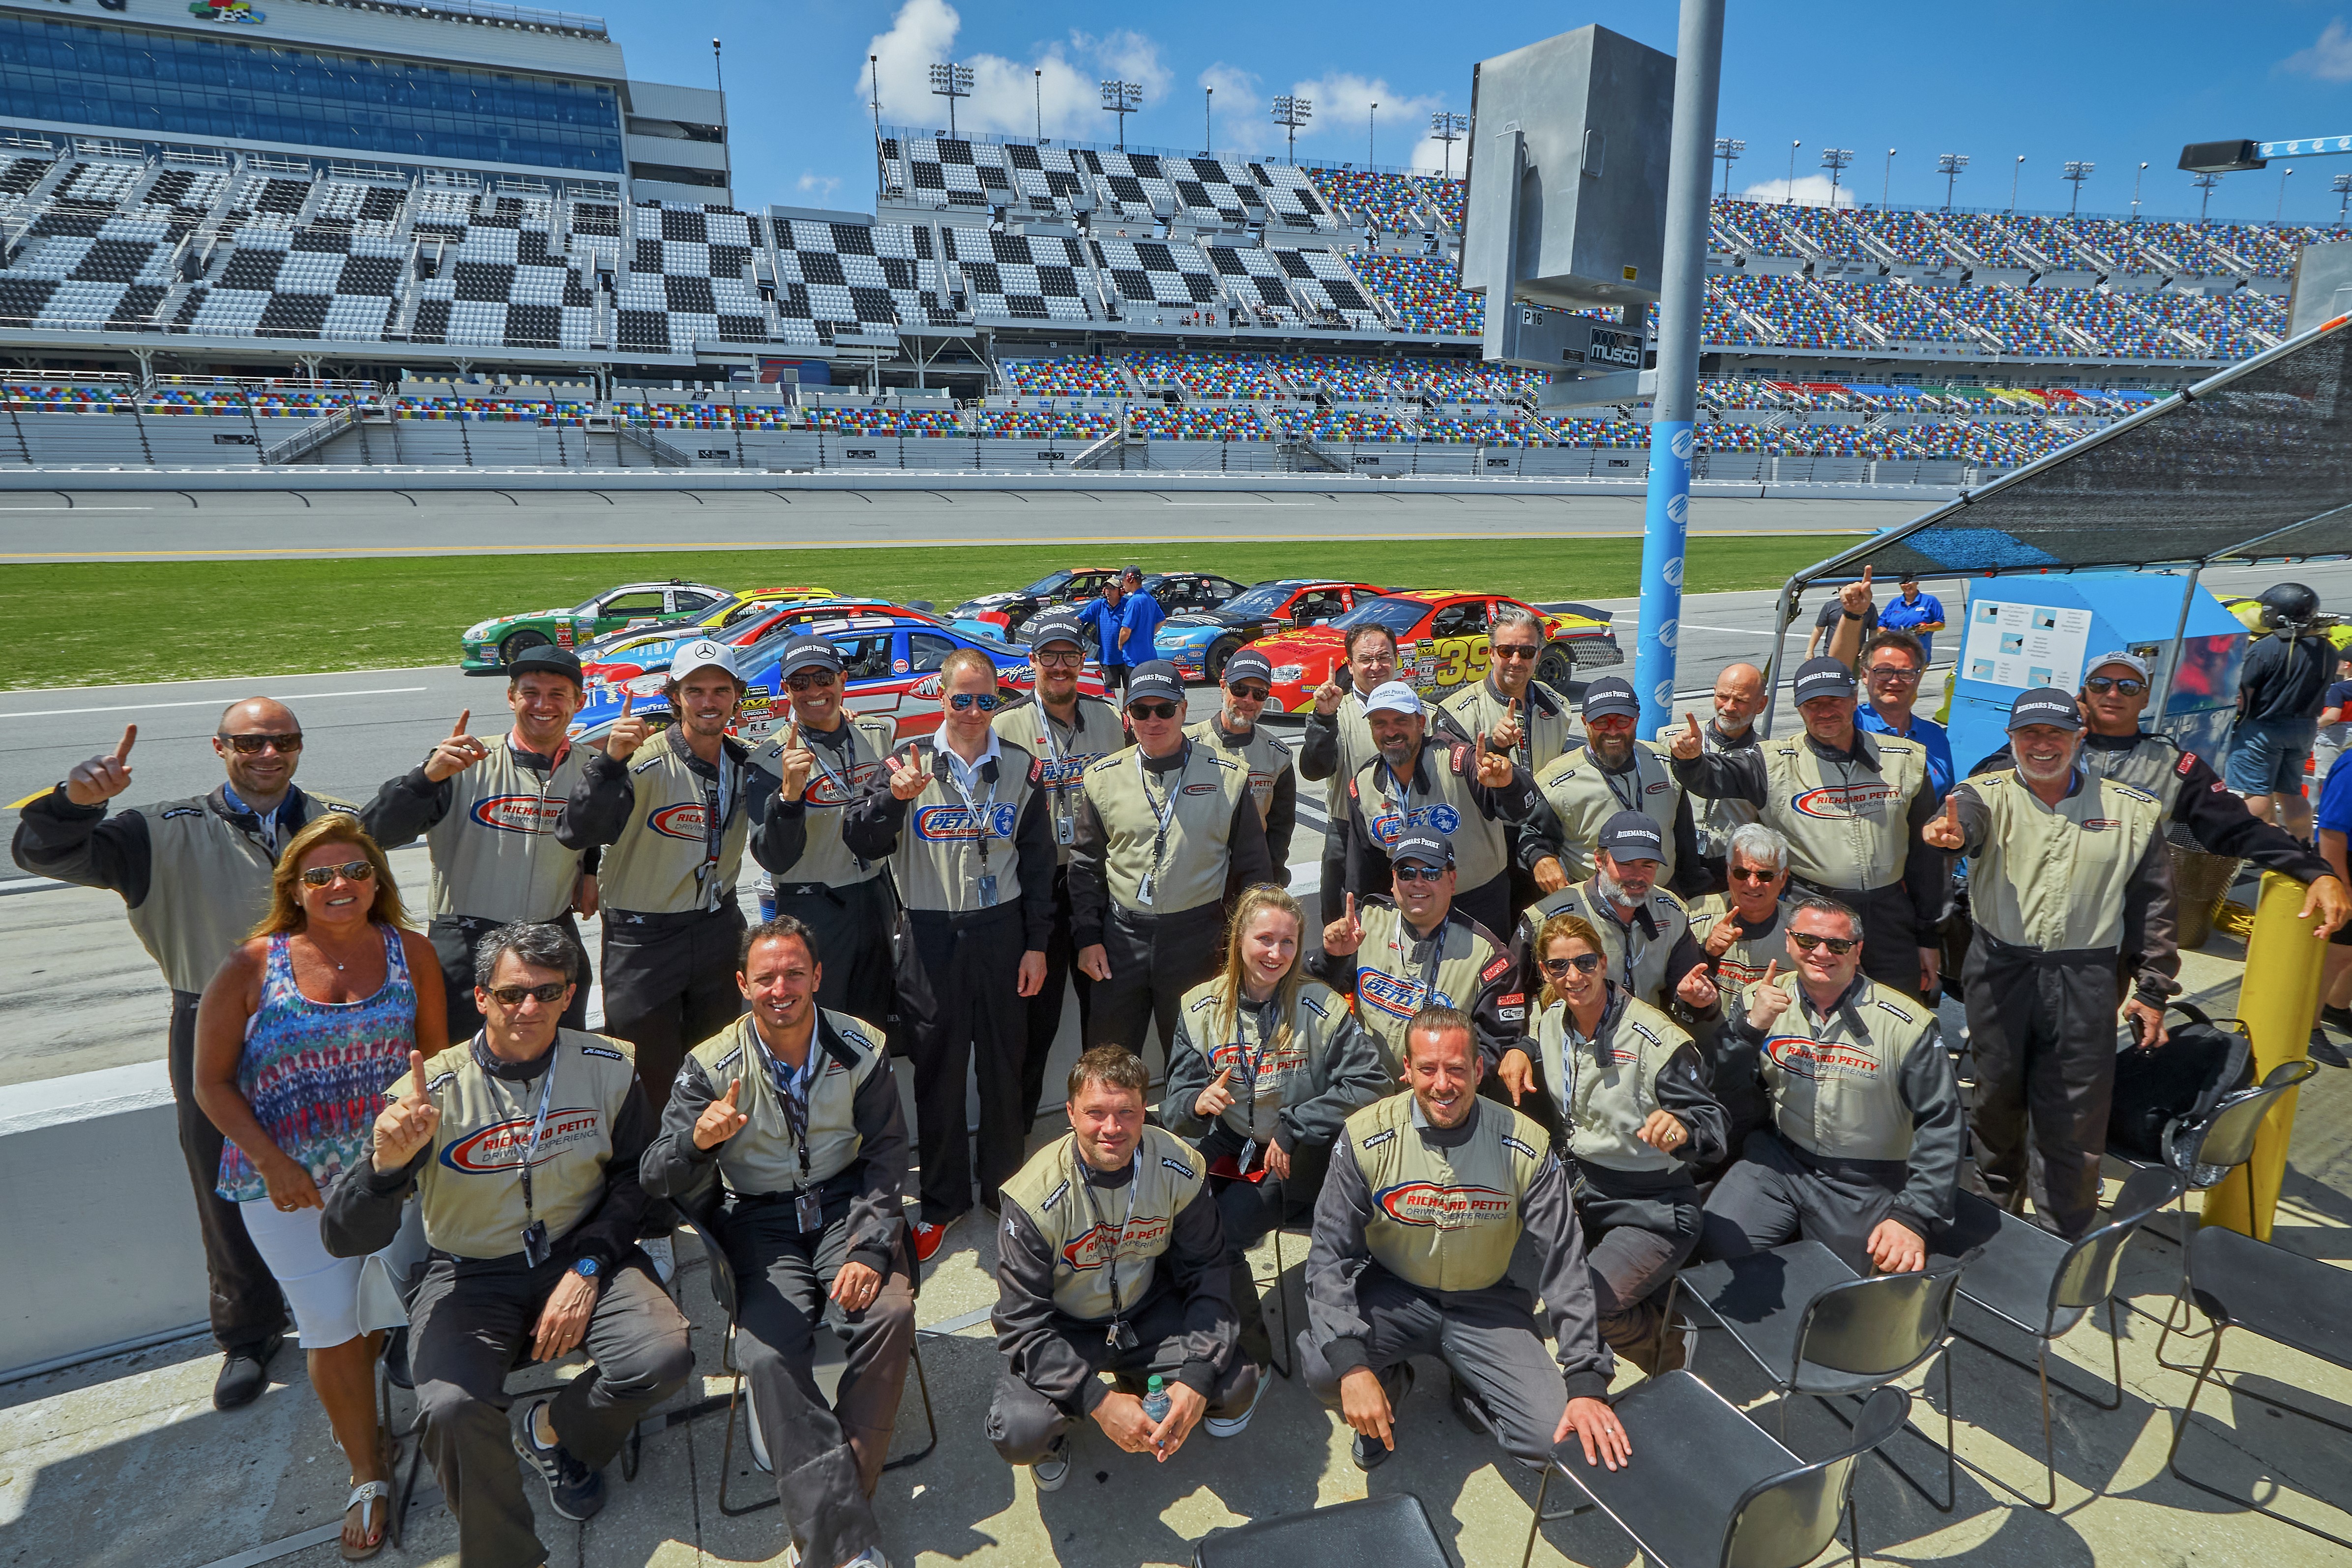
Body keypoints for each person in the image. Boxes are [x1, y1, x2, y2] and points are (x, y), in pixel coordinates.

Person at [12, 698, 357, 1409]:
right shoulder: (159, 830)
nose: (269, 754)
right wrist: (75, 803)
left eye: (284, 740)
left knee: (351, 1166)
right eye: (250, 743)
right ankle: (248, 1333)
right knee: (222, 1179)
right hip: (215, 1020)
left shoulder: (336, 821)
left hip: (331, 1022)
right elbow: (42, 852)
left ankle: (364, 1309)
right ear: (219, 747)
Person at [323, 922, 693, 1568]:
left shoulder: (610, 1065)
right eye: (512, 993)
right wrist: (383, 1168)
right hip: (472, 1272)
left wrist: (588, 1266)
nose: (529, 1007)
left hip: (582, 1252)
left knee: (663, 1357)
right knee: (450, 1408)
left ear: (569, 994)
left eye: (547, 992)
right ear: (481, 997)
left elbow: (634, 1180)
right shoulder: (427, 1093)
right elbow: (345, 1236)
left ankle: (551, 1431)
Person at [192, 815, 446, 1560]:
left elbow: (435, 1058)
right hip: (289, 1185)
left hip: (391, 1173)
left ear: (378, 881)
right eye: (321, 875)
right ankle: (367, 1467)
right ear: (294, 889)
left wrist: (417, 1130)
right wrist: (273, 1161)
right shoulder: (250, 964)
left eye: (357, 871)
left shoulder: (412, 952)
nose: (342, 884)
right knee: (330, 1323)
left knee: (378, 1310)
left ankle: (368, 1418)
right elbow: (210, 1082)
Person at [640, 917, 910, 1568]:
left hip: (846, 1207)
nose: (780, 988)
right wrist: (696, 1141)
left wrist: (871, 1247)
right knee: (765, 1353)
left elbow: (887, 1153)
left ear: (818, 976)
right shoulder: (710, 1064)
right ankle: (842, 1528)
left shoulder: (861, 1046)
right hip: (759, 1220)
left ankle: (829, 1514)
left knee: (890, 1310)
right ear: (743, 984)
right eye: (766, 977)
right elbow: (654, 1173)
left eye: (794, 973)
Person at [1299, 1007, 1629, 1476]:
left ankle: (1472, 1384)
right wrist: (1353, 1367)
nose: (1442, 1085)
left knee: (1554, 1444)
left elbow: (1566, 1264)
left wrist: (1587, 1380)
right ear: (1407, 1069)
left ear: (1478, 1068)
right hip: (1393, 1292)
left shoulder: (1527, 1145)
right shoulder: (1364, 1136)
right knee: (1326, 1365)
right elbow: (1330, 1254)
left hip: (1485, 1301)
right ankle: (1387, 1388)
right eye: (1428, 1069)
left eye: (1456, 1069)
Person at [1923, 689, 2176, 1239]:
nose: (2042, 745)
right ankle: (1992, 1216)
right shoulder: (1985, 794)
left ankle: (2063, 1235)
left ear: (2079, 737)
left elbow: (2153, 905)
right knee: (1995, 1101)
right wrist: (1951, 835)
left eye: (2055, 733)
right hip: (2000, 971)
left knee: (2074, 1113)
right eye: (2029, 734)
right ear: (2011, 739)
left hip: (2086, 976)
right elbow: (1964, 823)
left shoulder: (2131, 810)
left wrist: (2152, 987)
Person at [845, 648, 1053, 1259]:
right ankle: (942, 1203)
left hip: (1002, 933)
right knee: (938, 1075)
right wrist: (893, 799)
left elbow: (1038, 867)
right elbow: (861, 839)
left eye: (986, 700)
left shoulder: (1020, 766)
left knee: (1004, 1069)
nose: (973, 711)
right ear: (940, 697)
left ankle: (1003, 1189)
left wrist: (1036, 945)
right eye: (961, 699)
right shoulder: (903, 763)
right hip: (929, 935)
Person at [988, 1047, 1259, 1489]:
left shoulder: (1179, 1166)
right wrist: (1098, 1402)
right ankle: (1059, 1436)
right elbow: (1022, 1325)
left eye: (1126, 1113)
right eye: (1095, 1113)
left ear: (1144, 1110)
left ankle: (1149, 1388)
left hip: (1147, 1309)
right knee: (1021, 1433)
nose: (1111, 1128)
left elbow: (1208, 1271)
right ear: (1071, 1113)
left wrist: (1195, 1381)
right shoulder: (1033, 1198)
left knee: (1234, 1384)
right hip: (1066, 1325)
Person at [1163, 886, 1386, 1377]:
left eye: (1288, 942)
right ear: (1238, 940)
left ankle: (1250, 1359)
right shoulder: (1199, 1008)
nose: (1276, 953)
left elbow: (1371, 1082)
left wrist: (1295, 1124)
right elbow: (1174, 1108)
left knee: (1218, 1236)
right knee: (1168, 1216)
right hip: (1229, 1140)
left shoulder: (1320, 1005)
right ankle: (1191, 1325)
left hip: (1299, 1152)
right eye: (1264, 939)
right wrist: (1197, 1102)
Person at [1970, 651, 2348, 935]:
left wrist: (2315, 871)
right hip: (2017, 912)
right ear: (2083, 693)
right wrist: (2063, 725)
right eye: (2100, 684)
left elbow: (2240, 828)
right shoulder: (2046, 743)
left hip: (2106, 928)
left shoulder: (2173, 766)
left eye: (2128, 687)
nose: (2113, 693)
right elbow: (1983, 783)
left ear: (2145, 698)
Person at [561, 639, 770, 1121]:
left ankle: (706, 1166)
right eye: (695, 691)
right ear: (674, 696)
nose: (709, 702)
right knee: (646, 1076)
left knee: (716, 1066)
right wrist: (608, 765)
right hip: (644, 938)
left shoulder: (747, 762)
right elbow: (580, 830)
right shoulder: (639, 759)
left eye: (720, 690)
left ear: (736, 696)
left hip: (718, 929)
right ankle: (650, 1168)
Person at [1697, 898, 1964, 1276]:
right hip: (1780, 1157)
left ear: (1858, 950)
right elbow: (1721, 1087)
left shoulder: (1908, 1025)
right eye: (1808, 941)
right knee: (1716, 1240)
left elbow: (1943, 1126)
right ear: (1788, 941)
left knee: (1851, 1284)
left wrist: (1914, 1217)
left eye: (1837, 945)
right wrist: (1750, 1029)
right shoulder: (1758, 999)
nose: (1821, 953)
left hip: (1866, 1176)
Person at [1670, 656, 1946, 999]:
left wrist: (1928, 937)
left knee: (1897, 1008)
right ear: (1799, 709)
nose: (1825, 712)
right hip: (1813, 911)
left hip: (1889, 915)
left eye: (1834, 701)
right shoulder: (1773, 761)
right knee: (1816, 1010)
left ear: (1854, 698)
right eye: (1813, 704)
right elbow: (1712, 777)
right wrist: (1689, 759)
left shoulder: (1904, 759)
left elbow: (1926, 860)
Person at [360, 645, 597, 1043]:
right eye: (530, 693)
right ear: (511, 698)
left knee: (559, 1057)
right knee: (457, 1064)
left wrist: (589, 870)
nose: (543, 705)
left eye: (557, 694)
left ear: (579, 702)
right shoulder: (462, 761)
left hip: (552, 938)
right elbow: (373, 833)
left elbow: (595, 828)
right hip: (467, 940)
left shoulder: (591, 768)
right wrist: (425, 779)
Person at [1529, 912, 1724, 1371]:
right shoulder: (1553, 1018)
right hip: (1586, 1189)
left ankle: (1672, 1346)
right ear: (1545, 971)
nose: (1573, 976)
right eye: (1559, 966)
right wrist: (1521, 1051)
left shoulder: (1654, 1039)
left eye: (1584, 963)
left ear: (1603, 963)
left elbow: (1712, 1124)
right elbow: (1543, 1043)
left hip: (1653, 1205)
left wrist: (1681, 1130)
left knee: (1589, 1307)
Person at [1071, 661, 1272, 1063]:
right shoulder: (1102, 778)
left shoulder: (1229, 777)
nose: (1153, 721)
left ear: (1183, 709)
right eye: (1141, 710)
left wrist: (1244, 943)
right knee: (1109, 1061)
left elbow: (1254, 871)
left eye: (1164, 709)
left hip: (1197, 939)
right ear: (1128, 715)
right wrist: (1088, 939)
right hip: (1121, 940)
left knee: (1196, 1061)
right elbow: (1086, 867)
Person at [993, 608, 1127, 1127]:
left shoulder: (1108, 719)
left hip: (1095, 881)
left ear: (1082, 661)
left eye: (1069, 655)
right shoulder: (1006, 724)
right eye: (1049, 656)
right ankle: (1018, 1130)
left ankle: (1106, 1124)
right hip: (1037, 885)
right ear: (1032, 661)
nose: (1059, 666)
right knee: (1035, 1021)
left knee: (1105, 1015)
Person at [749, 635, 900, 1030]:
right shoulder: (769, 759)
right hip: (813, 907)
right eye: (800, 683)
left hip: (875, 898)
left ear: (842, 680)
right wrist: (789, 797)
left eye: (823, 679)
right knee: (820, 1026)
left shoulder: (876, 734)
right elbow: (774, 858)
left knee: (873, 1026)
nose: (814, 691)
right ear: (786, 690)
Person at [1342, 680, 1555, 939]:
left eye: (1401, 721)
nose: (1391, 732)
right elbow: (1363, 875)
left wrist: (1508, 784)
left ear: (1421, 724)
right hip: (1413, 910)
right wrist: (1360, 922)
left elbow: (1520, 809)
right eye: (1380, 723)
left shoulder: (1460, 762)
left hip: (1478, 904)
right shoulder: (1363, 786)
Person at [1311, 829, 1522, 1085]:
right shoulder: (1364, 924)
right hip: (1360, 1086)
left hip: (1441, 1095)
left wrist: (1443, 1083)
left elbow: (1500, 1043)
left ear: (1452, 880)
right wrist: (1331, 958)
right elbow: (1308, 995)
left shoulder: (1488, 955)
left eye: (1431, 873)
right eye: (1406, 873)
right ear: (1394, 881)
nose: (1418, 882)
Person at [1509, 813, 1715, 1023]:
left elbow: (1687, 987)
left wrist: (1695, 998)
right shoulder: (1545, 917)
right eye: (1626, 864)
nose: (1637, 876)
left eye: (1648, 865)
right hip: (1572, 1037)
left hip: (1648, 1035)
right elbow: (1512, 997)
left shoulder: (1672, 911)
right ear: (1599, 861)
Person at [1684, 822, 1798, 1160]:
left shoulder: (1802, 928)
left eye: (1765, 875)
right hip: (1709, 1055)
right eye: (1741, 872)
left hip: (1777, 1058)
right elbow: (1671, 989)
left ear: (1783, 877)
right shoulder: (1694, 914)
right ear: (1727, 872)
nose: (1752, 884)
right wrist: (1705, 953)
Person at [1536, 676, 1699, 892]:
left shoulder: (1666, 764)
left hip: (1660, 896)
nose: (1612, 731)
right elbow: (1535, 836)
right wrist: (1542, 858)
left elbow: (1685, 839)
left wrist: (1692, 892)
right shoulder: (1556, 780)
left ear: (1636, 720)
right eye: (1601, 722)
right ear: (1585, 723)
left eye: (1622, 721)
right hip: (1595, 902)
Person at [1300, 622, 1399, 921]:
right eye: (1366, 659)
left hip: (1405, 833)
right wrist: (1323, 719)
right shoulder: (1335, 711)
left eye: (1383, 657)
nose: (1376, 666)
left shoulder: (1417, 711)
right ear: (1351, 665)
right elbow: (1313, 770)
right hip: (1348, 835)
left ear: (1396, 659)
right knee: (1341, 925)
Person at [2229, 582, 2333, 837]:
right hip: (2304, 729)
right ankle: (2303, 845)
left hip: (2263, 730)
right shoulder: (2327, 650)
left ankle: (2258, 848)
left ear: (2279, 614)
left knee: (2256, 793)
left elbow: (2243, 695)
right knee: (2291, 793)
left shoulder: (2266, 647)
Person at [1660, 662, 1768, 894]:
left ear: (1761, 704)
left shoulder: (1768, 758)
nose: (1729, 707)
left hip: (1729, 871)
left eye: (1740, 700)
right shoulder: (1672, 739)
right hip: (1673, 863)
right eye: (1723, 697)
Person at [1186, 647, 1298, 868]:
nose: (1248, 700)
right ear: (1223, 687)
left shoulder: (1279, 756)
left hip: (1251, 870)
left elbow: (1281, 828)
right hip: (1196, 871)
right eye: (1240, 689)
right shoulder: (1187, 745)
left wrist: (1273, 874)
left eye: (1259, 694)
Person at [1438, 603, 1580, 774]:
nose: (1516, 661)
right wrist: (1495, 746)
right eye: (1506, 651)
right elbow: (1453, 778)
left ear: (1538, 657)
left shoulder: (1558, 706)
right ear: (1492, 654)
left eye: (1527, 652)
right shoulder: (1456, 714)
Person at [1853, 630, 1954, 803]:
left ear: (1918, 678)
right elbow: (1837, 666)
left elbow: (1947, 798)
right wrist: (1853, 618)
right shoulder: (1852, 724)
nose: (1894, 681)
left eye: (1906, 673)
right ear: (1864, 675)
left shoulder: (1935, 735)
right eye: (1884, 672)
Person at [1806, 569, 1877, 664]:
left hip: (1857, 654)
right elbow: (1819, 629)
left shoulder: (1869, 607)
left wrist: (1867, 649)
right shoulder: (1830, 606)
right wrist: (1810, 651)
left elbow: (1873, 630)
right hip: (1831, 653)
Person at [1877, 572, 1947, 665]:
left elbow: (1941, 625)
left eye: (1910, 582)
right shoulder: (1895, 602)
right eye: (1903, 583)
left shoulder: (1930, 601)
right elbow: (1881, 623)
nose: (1907, 585)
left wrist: (1927, 627)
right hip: (1894, 655)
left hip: (1918, 656)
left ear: (1917, 582)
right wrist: (1887, 636)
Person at [1079, 574, 1131, 694]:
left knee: (1129, 689)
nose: (1108, 591)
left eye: (1112, 588)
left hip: (1127, 656)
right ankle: (1111, 707)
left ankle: (1126, 707)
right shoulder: (1098, 605)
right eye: (1106, 588)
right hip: (1108, 658)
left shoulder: (1128, 605)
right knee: (1109, 690)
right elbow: (1079, 619)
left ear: (1120, 591)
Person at [2314, 651, 2352, 790]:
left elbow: (2332, 716)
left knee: (2326, 780)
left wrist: (2315, 725)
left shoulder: (2338, 688)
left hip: (2334, 739)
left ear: (2347, 665)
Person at [1117, 566, 1166, 671]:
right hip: (1150, 655)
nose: (1122, 583)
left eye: (1123, 580)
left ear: (1131, 580)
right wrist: (1148, 634)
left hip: (1135, 658)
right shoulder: (1150, 598)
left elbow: (1126, 631)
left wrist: (1120, 644)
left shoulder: (1134, 602)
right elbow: (1162, 621)